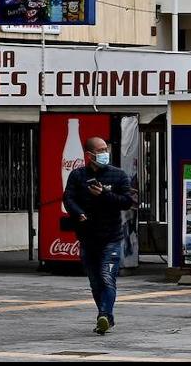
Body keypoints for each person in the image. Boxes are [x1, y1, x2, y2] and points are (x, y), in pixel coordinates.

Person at [62, 136, 138, 335]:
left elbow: (127, 202)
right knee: (95, 283)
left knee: (107, 277)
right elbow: (68, 198)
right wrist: (78, 213)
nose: (105, 153)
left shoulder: (118, 175)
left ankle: (104, 315)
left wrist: (105, 194)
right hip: (87, 239)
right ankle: (106, 317)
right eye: (101, 150)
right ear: (89, 155)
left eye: (106, 149)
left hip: (111, 238)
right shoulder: (77, 176)